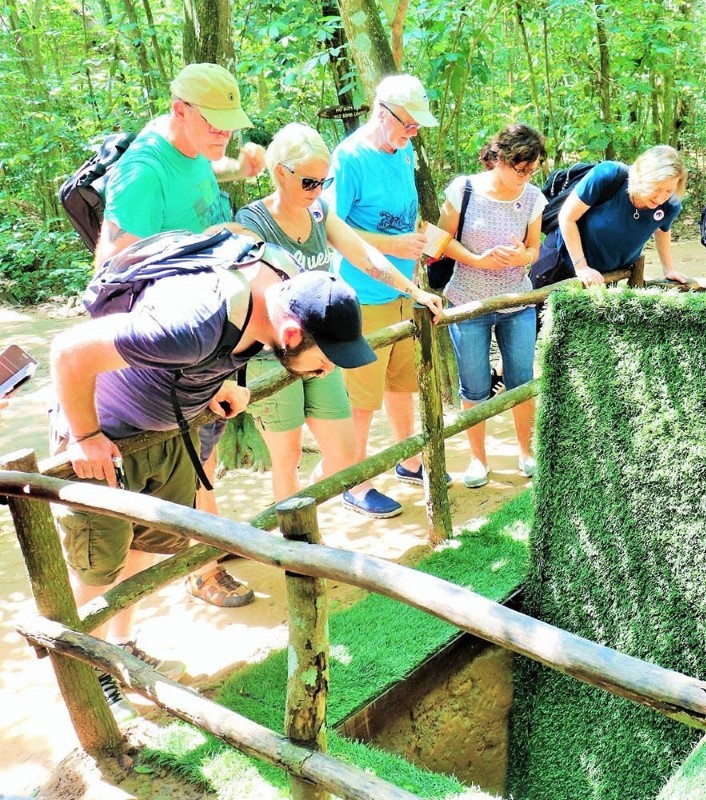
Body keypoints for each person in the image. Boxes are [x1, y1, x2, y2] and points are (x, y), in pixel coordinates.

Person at [51, 252, 378, 719]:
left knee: (144, 549)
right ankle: (91, 673)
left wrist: (212, 388)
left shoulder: (263, 314)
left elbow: (198, 361)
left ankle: (120, 646)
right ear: (292, 334)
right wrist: (84, 435)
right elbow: (68, 350)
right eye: (325, 360)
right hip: (104, 442)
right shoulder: (194, 323)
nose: (327, 371)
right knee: (97, 567)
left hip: (166, 436)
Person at [95, 62, 266, 608]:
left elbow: (203, 182)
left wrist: (240, 168)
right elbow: (111, 267)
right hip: (172, 344)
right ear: (179, 111)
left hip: (208, 335)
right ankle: (203, 568)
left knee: (204, 458)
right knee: (190, 462)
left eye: (230, 124)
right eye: (214, 124)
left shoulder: (196, 150)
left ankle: (206, 548)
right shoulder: (143, 171)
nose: (224, 134)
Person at [234, 123, 443, 514]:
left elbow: (364, 255)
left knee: (342, 450)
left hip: (321, 349)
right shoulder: (252, 223)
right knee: (288, 455)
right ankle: (300, 547)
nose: (317, 191)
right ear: (281, 171)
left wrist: (413, 290)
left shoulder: (318, 210)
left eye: (324, 181)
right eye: (310, 181)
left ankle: (342, 489)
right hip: (274, 351)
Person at [327, 74, 442, 515]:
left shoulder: (403, 149)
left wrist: (410, 246)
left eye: (416, 127)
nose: (412, 134)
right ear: (381, 112)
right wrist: (391, 246)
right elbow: (330, 228)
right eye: (407, 125)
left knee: (401, 383)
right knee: (361, 399)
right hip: (362, 296)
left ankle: (409, 461)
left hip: (401, 288)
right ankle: (356, 483)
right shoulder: (349, 158)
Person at [434, 124, 546, 488]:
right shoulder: (463, 189)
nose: (526, 177)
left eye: (532, 170)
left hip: (517, 300)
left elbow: (535, 249)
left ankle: (527, 453)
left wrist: (522, 256)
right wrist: (477, 259)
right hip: (468, 301)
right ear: (499, 159)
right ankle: (478, 460)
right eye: (520, 169)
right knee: (475, 385)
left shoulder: (532, 198)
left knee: (521, 380)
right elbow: (440, 239)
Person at [532, 145, 687, 288]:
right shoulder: (608, 175)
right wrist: (582, 266)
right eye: (656, 188)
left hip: (604, 278)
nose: (660, 198)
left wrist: (669, 269)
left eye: (668, 191)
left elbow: (662, 230)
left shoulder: (670, 205)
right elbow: (567, 217)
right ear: (643, 177)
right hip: (559, 263)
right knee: (535, 314)